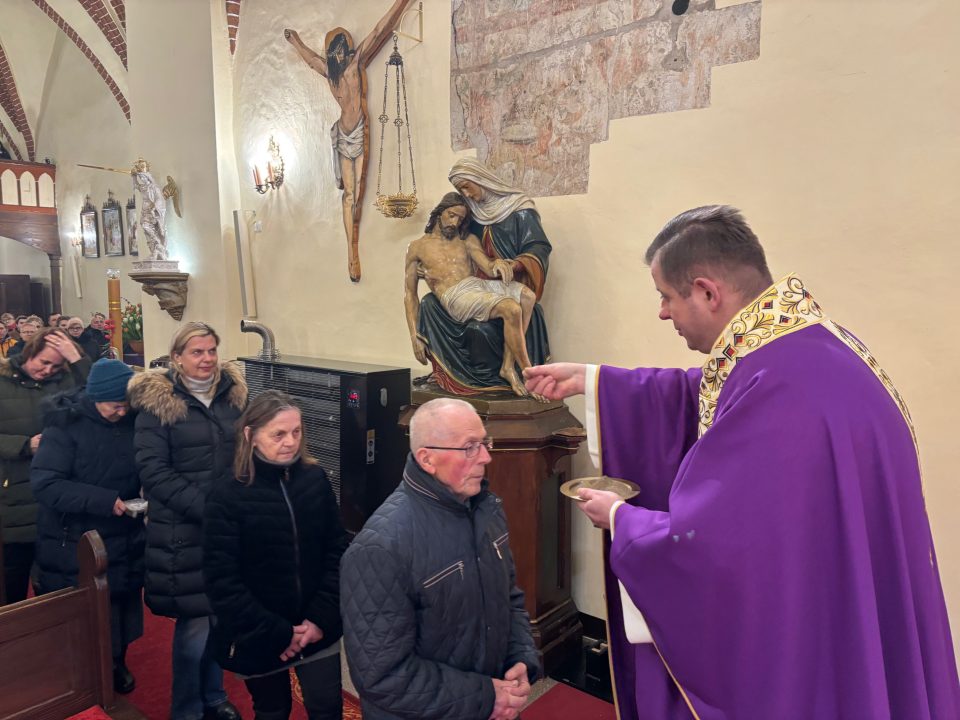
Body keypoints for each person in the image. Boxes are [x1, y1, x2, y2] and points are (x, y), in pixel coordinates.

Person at [523, 205, 960, 719]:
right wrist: (597, 381)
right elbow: (717, 393)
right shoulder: (807, 348)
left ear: (707, 293)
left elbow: (718, 550)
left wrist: (622, 520)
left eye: (665, 296)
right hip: (849, 604)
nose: (662, 312)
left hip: (812, 648)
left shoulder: (781, 393)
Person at [340, 397, 540, 720]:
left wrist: (521, 657)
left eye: (484, 442)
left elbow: (510, 598)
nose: (486, 457)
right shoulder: (378, 549)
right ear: (427, 459)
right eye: (470, 447)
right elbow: (382, 677)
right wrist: (485, 697)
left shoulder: (487, 510)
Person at [203, 390, 349, 720]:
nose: (290, 442)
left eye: (296, 431)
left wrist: (318, 619)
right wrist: (279, 632)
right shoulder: (227, 494)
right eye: (278, 434)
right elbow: (222, 581)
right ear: (250, 435)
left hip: (317, 625)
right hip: (259, 631)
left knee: (327, 707)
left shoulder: (315, 479)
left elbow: (337, 551)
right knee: (273, 710)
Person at [128, 322, 246, 720]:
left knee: (220, 617)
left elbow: (243, 452)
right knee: (195, 625)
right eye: (197, 352)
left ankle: (213, 696)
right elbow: (153, 471)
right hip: (182, 528)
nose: (207, 359)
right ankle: (187, 710)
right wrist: (208, 508)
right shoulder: (158, 403)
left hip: (227, 525)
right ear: (177, 357)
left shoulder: (232, 396)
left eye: (212, 350)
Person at [30, 358, 144, 694]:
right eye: (115, 406)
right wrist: (104, 500)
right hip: (76, 537)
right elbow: (46, 484)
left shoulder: (132, 420)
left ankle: (116, 661)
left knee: (121, 603)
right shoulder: (64, 426)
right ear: (95, 398)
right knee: (88, 613)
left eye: (126, 405)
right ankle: (87, 673)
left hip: (125, 531)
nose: (122, 411)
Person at [284, 0, 411, 282]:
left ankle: (354, 246)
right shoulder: (331, 75)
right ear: (333, 53)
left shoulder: (356, 64)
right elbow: (310, 59)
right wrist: (296, 41)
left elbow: (379, 30)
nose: (341, 53)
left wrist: (401, 3)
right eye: (336, 50)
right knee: (349, 195)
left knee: (359, 192)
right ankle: (351, 252)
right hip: (343, 134)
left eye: (343, 48)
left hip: (360, 130)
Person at [413, 158, 551, 395]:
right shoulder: (470, 215)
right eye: (460, 191)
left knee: (527, 298)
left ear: (481, 179)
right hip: (470, 290)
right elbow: (448, 250)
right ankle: (526, 372)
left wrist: (512, 264)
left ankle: (508, 366)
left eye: (467, 187)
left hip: (503, 280)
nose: (466, 195)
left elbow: (538, 247)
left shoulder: (520, 209)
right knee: (433, 304)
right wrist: (430, 268)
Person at [0, 328, 90, 603]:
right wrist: (25, 445)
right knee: (12, 583)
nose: (48, 370)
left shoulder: (65, 382)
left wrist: (77, 360)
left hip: (56, 497)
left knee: (54, 587)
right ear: (30, 352)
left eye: (56, 366)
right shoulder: (3, 381)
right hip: (13, 493)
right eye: (44, 362)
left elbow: (99, 400)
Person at [131, 159, 169, 260]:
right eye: (141, 178)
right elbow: (136, 185)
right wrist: (134, 176)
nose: (142, 179)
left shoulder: (154, 187)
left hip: (152, 211)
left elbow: (160, 199)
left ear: (147, 177)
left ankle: (158, 244)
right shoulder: (143, 187)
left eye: (143, 177)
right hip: (145, 210)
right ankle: (154, 249)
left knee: (146, 226)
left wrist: (154, 206)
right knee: (145, 228)